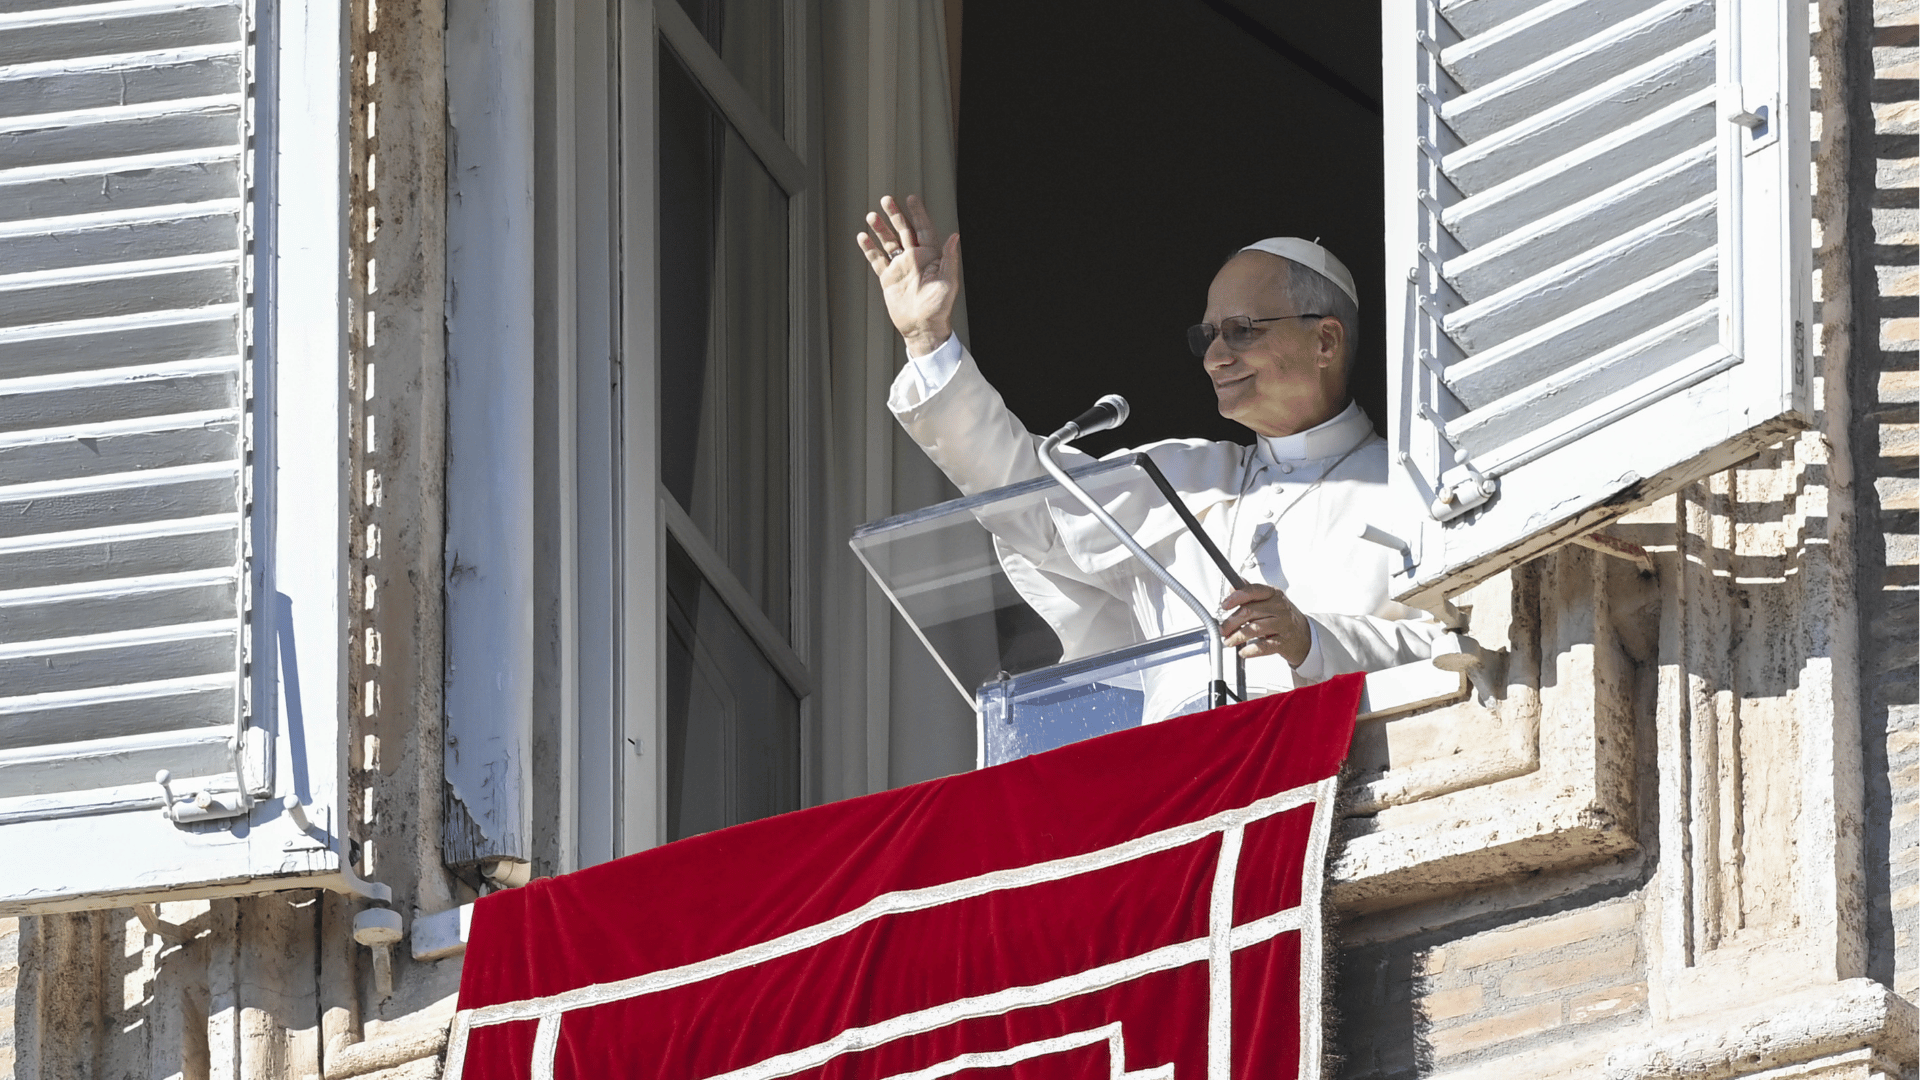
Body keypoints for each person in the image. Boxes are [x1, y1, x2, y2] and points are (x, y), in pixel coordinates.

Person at [857, 195, 1447, 719]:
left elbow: (1452, 648)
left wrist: (1310, 642)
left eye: (1241, 330)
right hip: (1176, 786)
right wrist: (928, 342)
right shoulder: (1180, 477)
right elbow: (1030, 499)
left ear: (1325, 341)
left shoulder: (1415, 487)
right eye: (1207, 335)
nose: (1216, 355)